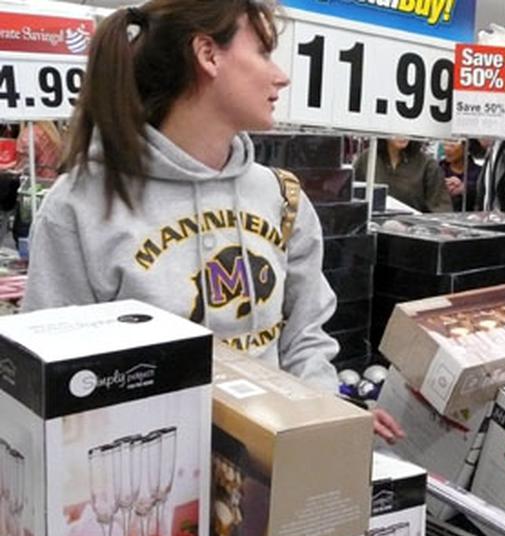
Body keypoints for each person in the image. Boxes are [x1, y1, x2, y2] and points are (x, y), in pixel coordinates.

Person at [20, 0, 404, 443]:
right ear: (208, 55)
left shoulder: (281, 197)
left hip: (268, 470)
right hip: (143, 479)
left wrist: (322, 422)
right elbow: (53, 384)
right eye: (262, 52)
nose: (280, 75)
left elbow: (305, 337)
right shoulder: (81, 207)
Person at [353, 137, 451, 213]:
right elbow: (353, 197)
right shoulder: (367, 159)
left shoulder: (427, 165)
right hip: (374, 230)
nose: (403, 135)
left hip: (413, 233)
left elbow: (442, 209)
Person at [439, 139, 481, 211]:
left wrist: (465, 189)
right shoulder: (437, 169)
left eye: (452, 145)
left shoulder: (479, 173)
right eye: (445, 144)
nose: (447, 149)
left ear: (466, 147)